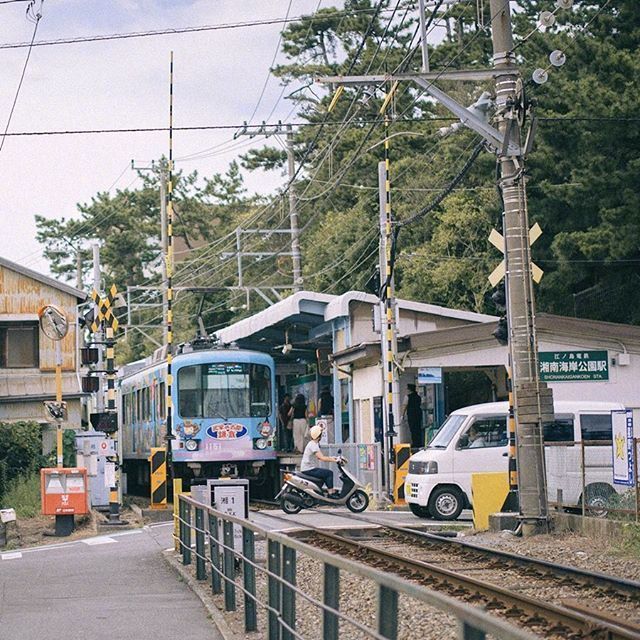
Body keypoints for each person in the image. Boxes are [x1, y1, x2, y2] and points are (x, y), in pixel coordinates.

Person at [300, 424, 339, 495]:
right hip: (308, 469)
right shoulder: (313, 445)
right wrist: (335, 460)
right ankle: (331, 492)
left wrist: (334, 458)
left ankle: (325, 492)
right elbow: (322, 458)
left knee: (324, 474)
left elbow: (320, 456)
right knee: (329, 473)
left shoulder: (313, 444)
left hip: (308, 468)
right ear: (319, 436)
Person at [402, 384, 424, 449]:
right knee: (418, 428)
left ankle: (415, 443)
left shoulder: (407, 397)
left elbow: (404, 406)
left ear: (409, 389)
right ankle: (419, 443)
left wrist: (402, 415)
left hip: (411, 414)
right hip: (418, 414)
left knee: (413, 429)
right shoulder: (418, 397)